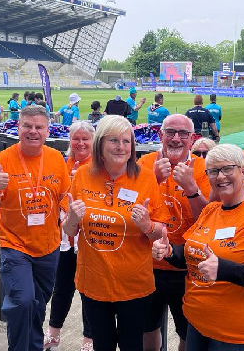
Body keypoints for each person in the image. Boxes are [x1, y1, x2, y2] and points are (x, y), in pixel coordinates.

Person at [153, 143, 244, 351]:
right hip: (198, 324)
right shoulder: (211, 210)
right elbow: (190, 253)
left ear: (243, 171)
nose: (220, 176)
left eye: (227, 169)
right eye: (213, 171)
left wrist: (222, 269)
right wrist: (169, 250)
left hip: (238, 335)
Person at [62, 115, 170, 351]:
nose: (121, 147)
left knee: (132, 345)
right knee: (103, 345)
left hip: (133, 285)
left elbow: (160, 232)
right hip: (94, 282)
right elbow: (69, 231)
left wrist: (146, 225)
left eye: (126, 141)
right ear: (100, 144)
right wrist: (71, 218)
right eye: (113, 140)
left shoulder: (145, 178)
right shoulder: (81, 176)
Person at [0, 105, 70, 351]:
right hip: (14, 244)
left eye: (39, 127)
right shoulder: (2, 161)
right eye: (27, 126)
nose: (33, 131)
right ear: (17, 128)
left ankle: (34, 345)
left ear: (47, 130)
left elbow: (65, 197)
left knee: (37, 305)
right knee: (22, 301)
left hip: (48, 245)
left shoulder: (55, 159)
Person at [138, 114, 211, 351]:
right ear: (160, 135)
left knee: (187, 330)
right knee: (147, 326)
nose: (176, 138)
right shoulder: (145, 163)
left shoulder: (203, 168)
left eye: (183, 134)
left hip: (187, 267)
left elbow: (209, 219)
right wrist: (154, 179)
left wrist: (191, 188)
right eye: (170, 132)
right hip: (147, 264)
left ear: (192, 139)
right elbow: (131, 209)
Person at [45, 121, 95, 351]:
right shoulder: (64, 163)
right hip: (64, 237)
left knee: (88, 291)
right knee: (62, 286)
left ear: (93, 141)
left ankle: (88, 339)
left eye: (85, 139)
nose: (81, 143)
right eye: (76, 138)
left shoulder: (97, 166)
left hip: (89, 239)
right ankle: (53, 333)